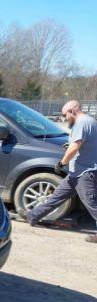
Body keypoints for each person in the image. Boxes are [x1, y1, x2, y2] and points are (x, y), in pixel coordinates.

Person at [18, 100, 97, 243]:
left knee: (92, 204)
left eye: (64, 114)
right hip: (76, 172)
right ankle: (33, 216)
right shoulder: (90, 121)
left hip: (85, 172)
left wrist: (62, 163)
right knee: (57, 196)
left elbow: (74, 148)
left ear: (72, 111)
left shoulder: (81, 123)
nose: (64, 118)